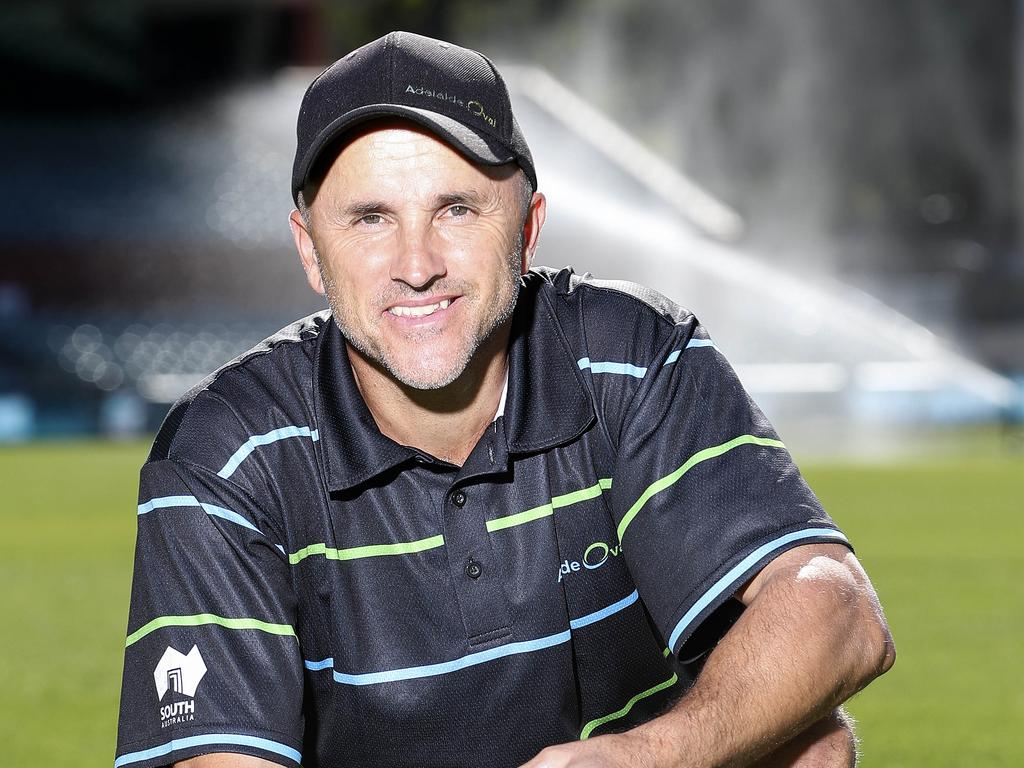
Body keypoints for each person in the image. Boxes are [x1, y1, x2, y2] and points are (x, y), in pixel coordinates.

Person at [115, 31, 894, 768]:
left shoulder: (631, 355)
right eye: (370, 218)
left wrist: (648, 755)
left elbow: (840, 616)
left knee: (808, 746)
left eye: (456, 209)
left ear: (527, 229)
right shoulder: (225, 453)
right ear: (310, 251)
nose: (416, 264)